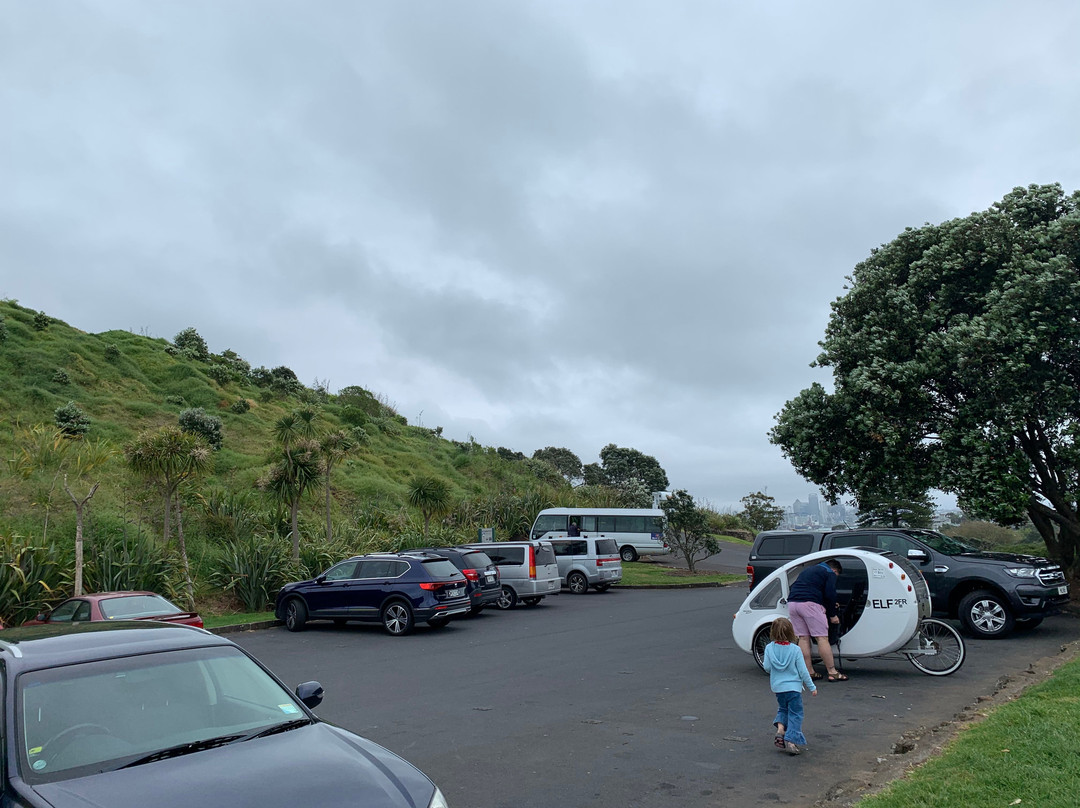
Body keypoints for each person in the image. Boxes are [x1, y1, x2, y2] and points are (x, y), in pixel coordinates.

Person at [762, 616, 817, 755]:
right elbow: (803, 671)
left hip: (778, 687)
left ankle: (780, 730)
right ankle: (791, 741)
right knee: (796, 713)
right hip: (793, 688)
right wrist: (812, 687)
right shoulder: (795, 649)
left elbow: (767, 667)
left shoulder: (769, 648)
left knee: (783, 709)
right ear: (791, 632)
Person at [787, 558, 848, 682]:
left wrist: (826, 604)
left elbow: (809, 588)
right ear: (835, 570)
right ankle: (832, 672)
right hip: (810, 605)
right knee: (821, 638)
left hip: (793, 603)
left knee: (803, 638)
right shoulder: (829, 573)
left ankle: (809, 672)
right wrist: (832, 615)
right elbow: (830, 594)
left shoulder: (808, 570)